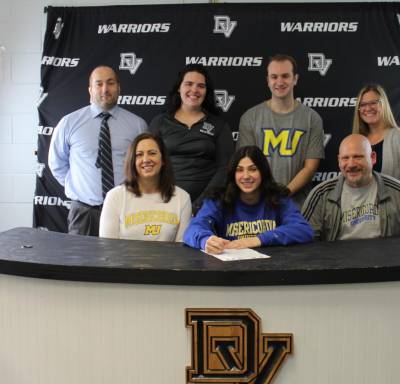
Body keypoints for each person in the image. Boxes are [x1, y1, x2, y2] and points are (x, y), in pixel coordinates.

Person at [48, 65, 148, 236]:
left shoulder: (137, 125)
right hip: (83, 213)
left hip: (126, 211)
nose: (105, 89)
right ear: (90, 89)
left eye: (110, 83)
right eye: (99, 84)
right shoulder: (69, 123)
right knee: (80, 262)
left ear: (118, 87)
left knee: (123, 262)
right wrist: (79, 187)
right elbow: (57, 163)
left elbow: (144, 168)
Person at [183, 145, 314, 254]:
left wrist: (258, 239)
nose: (246, 176)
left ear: (263, 172)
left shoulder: (277, 197)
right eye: (239, 170)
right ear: (233, 174)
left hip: (271, 269)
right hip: (230, 271)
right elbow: (192, 230)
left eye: (253, 169)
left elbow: (303, 230)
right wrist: (205, 240)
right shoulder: (218, 200)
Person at [237, 54, 324, 207]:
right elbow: (246, 164)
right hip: (258, 204)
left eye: (285, 76)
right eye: (274, 76)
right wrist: (266, 195)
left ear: (295, 79)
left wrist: (284, 193)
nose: (279, 82)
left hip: (298, 207)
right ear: (268, 80)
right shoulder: (250, 117)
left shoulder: (312, 118)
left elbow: (310, 167)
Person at [302, 134, 400, 241]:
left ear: (373, 158)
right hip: (339, 265)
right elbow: (308, 244)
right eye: (345, 158)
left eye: (358, 157)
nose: (351, 164)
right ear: (339, 161)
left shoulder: (399, 192)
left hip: (386, 265)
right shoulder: (320, 195)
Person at [149, 65, 234, 212]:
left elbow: (224, 168)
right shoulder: (160, 122)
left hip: (207, 207)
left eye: (200, 86)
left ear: (206, 91)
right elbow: (150, 164)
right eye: (188, 84)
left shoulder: (218, 124)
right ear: (179, 88)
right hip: (165, 203)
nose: (194, 90)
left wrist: (199, 205)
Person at [99, 133, 191, 241]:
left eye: (152, 153)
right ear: (132, 161)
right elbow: (108, 248)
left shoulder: (182, 198)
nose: (146, 159)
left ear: (163, 160)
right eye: (139, 155)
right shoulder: (115, 196)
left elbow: (181, 249)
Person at [352, 83, 400, 193]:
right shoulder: (355, 141)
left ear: (384, 105)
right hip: (360, 207)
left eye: (373, 103)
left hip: (391, 208)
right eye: (362, 104)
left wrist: (386, 191)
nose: (368, 108)